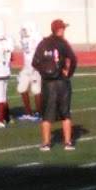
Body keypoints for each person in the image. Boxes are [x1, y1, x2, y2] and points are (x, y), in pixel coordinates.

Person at [32, 19, 78, 151]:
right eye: (63, 28)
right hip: (62, 82)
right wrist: (68, 73)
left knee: (46, 114)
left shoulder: (43, 43)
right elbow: (73, 60)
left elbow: (35, 63)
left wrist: (44, 73)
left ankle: (46, 143)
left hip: (47, 83)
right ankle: (68, 142)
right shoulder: (63, 43)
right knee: (65, 113)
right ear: (60, 30)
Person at [16, 21, 43, 120]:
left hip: (36, 67)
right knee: (21, 88)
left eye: (25, 30)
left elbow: (40, 52)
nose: (23, 32)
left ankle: (40, 113)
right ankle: (28, 112)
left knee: (36, 90)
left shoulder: (37, 38)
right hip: (26, 67)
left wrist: (38, 65)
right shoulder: (24, 39)